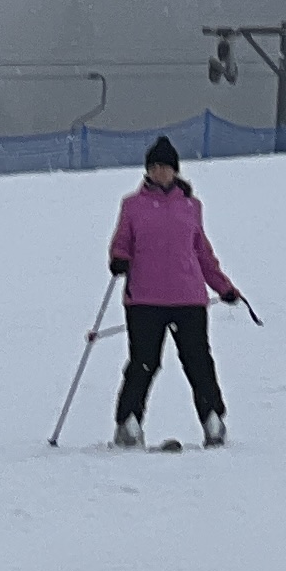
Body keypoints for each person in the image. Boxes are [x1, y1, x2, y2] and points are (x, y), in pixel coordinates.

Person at [107, 136, 243, 448]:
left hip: (188, 298)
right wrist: (118, 259)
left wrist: (224, 287)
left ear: (175, 170)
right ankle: (128, 422)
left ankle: (213, 418)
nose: (159, 172)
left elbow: (203, 253)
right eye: (154, 167)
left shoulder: (191, 207)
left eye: (165, 167)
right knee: (143, 362)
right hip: (144, 299)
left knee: (198, 361)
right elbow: (121, 242)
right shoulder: (132, 206)